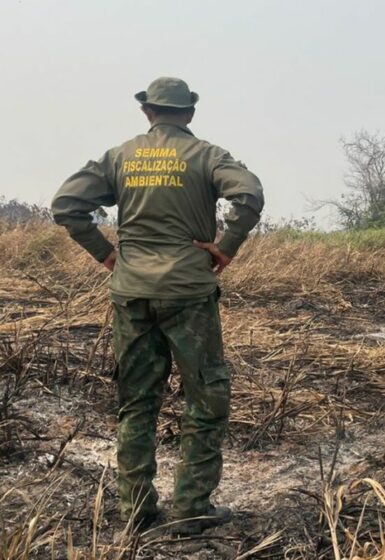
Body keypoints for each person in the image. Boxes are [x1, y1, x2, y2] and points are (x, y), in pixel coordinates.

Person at [51, 77, 264, 534]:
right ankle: (191, 508)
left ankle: (136, 510)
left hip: (131, 293)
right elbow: (247, 194)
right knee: (206, 399)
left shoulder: (119, 157)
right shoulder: (208, 155)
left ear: (147, 112)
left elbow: (67, 204)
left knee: (137, 401)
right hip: (189, 292)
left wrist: (107, 255)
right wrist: (225, 247)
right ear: (189, 114)